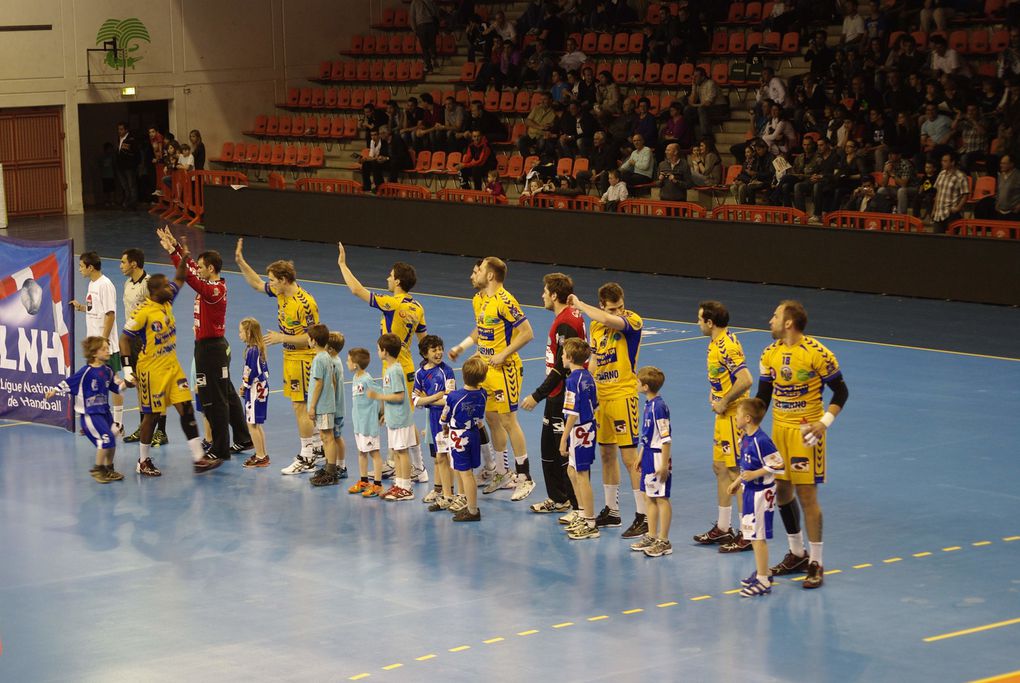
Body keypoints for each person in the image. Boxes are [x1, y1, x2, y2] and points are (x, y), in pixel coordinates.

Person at [757, 300, 849, 589]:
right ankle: (797, 553)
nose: (770, 320)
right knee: (782, 490)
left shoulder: (818, 354)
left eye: (775, 316)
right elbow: (763, 397)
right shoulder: (769, 353)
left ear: (788, 323)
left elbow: (841, 392)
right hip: (779, 430)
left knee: (807, 495)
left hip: (806, 432)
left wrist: (823, 424)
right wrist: (747, 423)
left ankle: (817, 562)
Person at [336, 242, 429, 483]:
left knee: (402, 421)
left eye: (390, 276)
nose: (387, 278)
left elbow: (357, 290)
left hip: (395, 369)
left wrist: (343, 265)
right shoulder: (417, 306)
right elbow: (424, 339)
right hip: (407, 365)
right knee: (399, 417)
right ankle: (402, 463)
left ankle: (418, 468)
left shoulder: (393, 303)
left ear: (398, 281)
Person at [159, 227, 253, 463]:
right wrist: (176, 250)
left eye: (202, 267)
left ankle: (220, 448)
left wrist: (176, 253)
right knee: (227, 394)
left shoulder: (215, 289)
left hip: (211, 349)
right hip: (209, 347)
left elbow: (189, 277)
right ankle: (243, 437)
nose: (198, 269)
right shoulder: (208, 282)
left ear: (211, 269)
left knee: (214, 399)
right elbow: (190, 269)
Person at [449, 257, 536, 501]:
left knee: (509, 420)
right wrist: (463, 347)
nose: (472, 276)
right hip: (486, 368)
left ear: (489, 275)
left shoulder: (505, 300)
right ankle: (502, 472)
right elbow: (481, 328)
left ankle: (525, 477)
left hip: (505, 369)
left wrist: (504, 353)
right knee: (492, 419)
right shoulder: (479, 300)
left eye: (478, 271)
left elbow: (528, 332)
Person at [120, 274, 223, 475]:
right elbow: (124, 339)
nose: (171, 288)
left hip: (172, 367)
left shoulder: (167, 300)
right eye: (166, 286)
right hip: (151, 370)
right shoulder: (142, 312)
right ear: (155, 291)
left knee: (186, 409)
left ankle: (198, 458)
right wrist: (127, 369)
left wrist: (181, 255)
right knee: (152, 416)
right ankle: (142, 461)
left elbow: (179, 278)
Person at [235, 239, 323, 474]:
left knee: (300, 406)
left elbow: (314, 337)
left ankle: (307, 456)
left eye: (273, 280)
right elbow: (256, 284)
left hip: (304, 358)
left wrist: (282, 337)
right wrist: (241, 262)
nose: (270, 284)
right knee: (301, 406)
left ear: (284, 280)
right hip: (290, 358)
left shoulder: (305, 304)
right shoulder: (280, 292)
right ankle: (318, 447)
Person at [567, 283, 645, 538]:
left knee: (630, 459)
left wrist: (579, 305)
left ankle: (643, 515)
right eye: (613, 308)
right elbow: (596, 361)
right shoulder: (596, 326)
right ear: (602, 304)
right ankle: (612, 511)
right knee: (607, 455)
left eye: (620, 306)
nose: (618, 312)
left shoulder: (632, 321)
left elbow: (607, 319)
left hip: (623, 396)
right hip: (603, 396)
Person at [521, 273, 584, 518]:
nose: (542, 295)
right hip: (557, 394)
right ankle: (559, 499)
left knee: (561, 451)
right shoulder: (565, 317)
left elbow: (561, 367)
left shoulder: (566, 322)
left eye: (545, 291)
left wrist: (537, 395)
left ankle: (576, 505)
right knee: (548, 448)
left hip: (563, 395)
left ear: (555, 295)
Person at [693, 301, 754, 551]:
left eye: (699, 319)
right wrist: (715, 391)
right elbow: (723, 375)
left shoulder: (727, 345)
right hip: (723, 413)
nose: (697, 323)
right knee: (720, 468)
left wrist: (725, 399)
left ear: (710, 322)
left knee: (734, 473)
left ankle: (747, 533)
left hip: (733, 415)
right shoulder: (716, 342)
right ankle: (723, 527)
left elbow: (746, 378)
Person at [45, 337, 125, 483]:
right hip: (90, 415)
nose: (108, 351)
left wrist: (128, 384)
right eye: (104, 349)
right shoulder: (86, 372)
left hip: (105, 412)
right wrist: (54, 391)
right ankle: (98, 469)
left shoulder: (108, 371)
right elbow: (68, 382)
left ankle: (109, 469)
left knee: (113, 436)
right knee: (105, 439)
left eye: (108, 348)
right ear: (94, 353)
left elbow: (117, 388)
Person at [727, 397, 786, 597]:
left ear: (748, 418)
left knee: (758, 537)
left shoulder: (762, 441)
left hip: (762, 494)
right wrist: (738, 482)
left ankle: (763, 581)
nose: (735, 417)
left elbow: (779, 464)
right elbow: (746, 468)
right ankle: (763, 572)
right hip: (750, 492)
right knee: (751, 534)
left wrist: (755, 475)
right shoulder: (745, 438)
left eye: (737, 415)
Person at [70, 252, 125, 435]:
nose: (79, 269)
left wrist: (104, 341)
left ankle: (118, 424)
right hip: (94, 347)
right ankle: (96, 421)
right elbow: (96, 309)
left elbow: (110, 314)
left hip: (106, 346)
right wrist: (81, 308)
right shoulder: (92, 284)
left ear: (90, 267)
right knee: (96, 381)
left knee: (113, 381)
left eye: (81, 266)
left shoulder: (105, 285)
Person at [120, 248, 169, 447]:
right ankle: (144, 426)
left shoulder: (148, 285)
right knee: (141, 386)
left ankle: (162, 431)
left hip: (148, 341)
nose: (121, 265)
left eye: (123, 262)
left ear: (134, 264)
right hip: (132, 340)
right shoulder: (127, 283)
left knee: (155, 386)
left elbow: (161, 309)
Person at [629, 366, 673, 557]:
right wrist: (640, 456)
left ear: (645, 386)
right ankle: (652, 535)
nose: (636, 384)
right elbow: (647, 436)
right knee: (648, 497)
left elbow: (665, 437)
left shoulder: (659, 407)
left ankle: (664, 540)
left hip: (657, 457)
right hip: (648, 455)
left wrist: (663, 464)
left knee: (661, 499)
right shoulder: (648, 404)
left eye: (638, 382)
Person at [560, 338, 599, 540]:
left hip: (578, 431)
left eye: (563, 354)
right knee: (572, 470)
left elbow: (572, 413)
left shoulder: (572, 380)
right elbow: (595, 403)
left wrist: (563, 439)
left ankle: (590, 522)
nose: (561, 356)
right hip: (588, 428)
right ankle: (582, 513)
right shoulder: (588, 376)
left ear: (570, 357)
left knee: (582, 475)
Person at [441, 356, 489, 522]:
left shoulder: (454, 396)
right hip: (474, 433)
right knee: (469, 472)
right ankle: (470, 505)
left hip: (459, 437)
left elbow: (444, 416)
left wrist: (444, 426)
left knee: (465, 474)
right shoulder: (483, 394)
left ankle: (472, 510)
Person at [369, 334, 416, 501]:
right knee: (396, 451)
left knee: (402, 452)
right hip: (394, 418)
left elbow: (399, 396)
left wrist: (378, 397)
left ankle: (406, 487)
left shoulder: (394, 370)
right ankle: (400, 483)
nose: (377, 352)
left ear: (385, 352)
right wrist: (386, 415)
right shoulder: (390, 369)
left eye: (378, 349)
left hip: (401, 419)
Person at [413, 335, 457, 509]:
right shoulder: (420, 373)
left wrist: (427, 399)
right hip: (431, 419)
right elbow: (415, 400)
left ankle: (449, 494)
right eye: (434, 350)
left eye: (440, 349)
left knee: (445, 456)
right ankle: (439, 490)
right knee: (437, 457)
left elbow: (449, 398)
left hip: (445, 420)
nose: (439, 353)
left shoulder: (447, 371)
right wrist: (435, 397)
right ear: (425, 353)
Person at [306, 324, 341, 487]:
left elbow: (318, 383)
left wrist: (312, 406)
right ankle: (329, 467)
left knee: (328, 438)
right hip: (326, 404)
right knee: (324, 437)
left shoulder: (319, 358)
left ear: (313, 341)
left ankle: (331, 472)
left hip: (323, 406)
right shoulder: (326, 356)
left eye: (309, 338)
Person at [347, 348, 384, 498]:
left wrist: (383, 413)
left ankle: (378, 484)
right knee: (362, 452)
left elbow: (382, 393)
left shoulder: (367, 380)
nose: (346, 363)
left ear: (355, 364)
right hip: (359, 423)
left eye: (348, 360)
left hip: (368, 424)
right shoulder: (356, 377)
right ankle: (364, 481)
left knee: (374, 453)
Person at [238, 318, 270, 468]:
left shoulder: (252, 351)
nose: (239, 335)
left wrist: (244, 386)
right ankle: (262, 453)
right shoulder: (259, 348)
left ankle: (260, 456)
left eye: (241, 332)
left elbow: (250, 373)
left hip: (254, 391)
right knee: (256, 423)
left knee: (251, 424)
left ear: (248, 332)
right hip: (262, 388)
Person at [931, 152, 969, 233]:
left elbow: (965, 194)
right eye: (942, 161)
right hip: (939, 213)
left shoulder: (961, 176)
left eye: (945, 161)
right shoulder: (941, 174)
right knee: (936, 240)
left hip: (951, 213)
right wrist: (934, 209)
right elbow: (938, 192)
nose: (942, 163)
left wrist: (958, 208)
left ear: (952, 162)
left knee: (951, 241)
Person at [328, 331, 348, 479]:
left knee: (336, 437)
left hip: (335, 407)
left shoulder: (332, 363)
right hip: (337, 407)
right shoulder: (337, 360)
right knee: (335, 437)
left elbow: (332, 386)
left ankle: (340, 465)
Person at [976, 155, 1020, 221]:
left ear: (1011, 164)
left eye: (1004, 163)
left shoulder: (1018, 176)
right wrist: (997, 202)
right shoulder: (1001, 175)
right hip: (1001, 212)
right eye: (1001, 163)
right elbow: (999, 191)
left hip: (1013, 213)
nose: (1001, 165)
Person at [409, 0, 439, 73]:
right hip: (431, 25)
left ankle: (429, 67)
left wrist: (415, 29)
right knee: (432, 43)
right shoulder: (431, 1)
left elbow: (412, 17)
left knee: (425, 48)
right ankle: (433, 56)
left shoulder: (415, 2)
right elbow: (436, 14)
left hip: (421, 26)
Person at [114, 121, 138, 210]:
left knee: (131, 185)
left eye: (121, 129)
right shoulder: (119, 139)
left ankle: (133, 204)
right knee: (125, 185)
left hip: (129, 166)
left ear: (126, 130)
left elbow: (135, 153)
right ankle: (127, 202)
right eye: (118, 129)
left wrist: (133, 164)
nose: (119, 131)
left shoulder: (131, 139)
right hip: (120, 166)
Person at [98, 142, 116, 207]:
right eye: (109, 148)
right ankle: (106, 201)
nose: (110, 150)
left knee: (112, 190)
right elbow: (99, 165)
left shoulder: (112, 156)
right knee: (106, 190)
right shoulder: (102, 157)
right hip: (105, 176)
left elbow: (114, 165)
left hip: (111, 175)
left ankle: (112, 201)